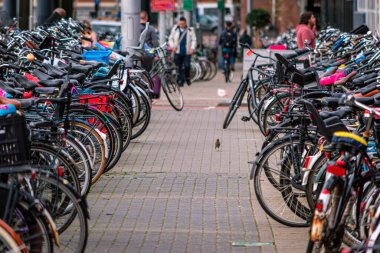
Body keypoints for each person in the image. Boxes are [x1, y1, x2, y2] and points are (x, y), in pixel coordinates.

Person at [168, 17, 197, 86]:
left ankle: (187, 77)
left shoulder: (190, 30)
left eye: (183, 24)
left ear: (185, 23)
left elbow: (194, 40)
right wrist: (172, 47)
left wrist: (192, 48)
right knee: (178, 67)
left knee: (187, 66)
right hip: (177, 52)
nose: (181, 25)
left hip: (187, 52)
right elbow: (170, 38)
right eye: (180, 24)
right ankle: (180, 80)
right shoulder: (175, 29)